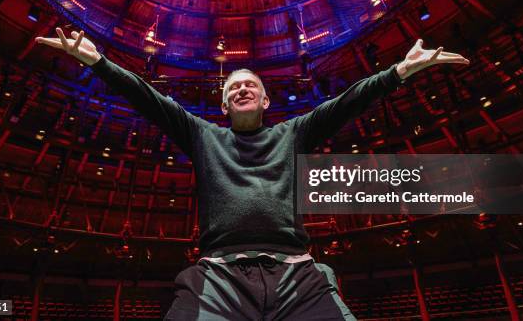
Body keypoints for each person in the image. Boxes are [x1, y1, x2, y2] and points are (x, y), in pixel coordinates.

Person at [36, 28, 469, 320]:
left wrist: (400, 71)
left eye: (251, 87)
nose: (242, 88)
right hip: (218, 275)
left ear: (265, 102)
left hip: (298, 273)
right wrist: (98, 63)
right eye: (232, 89)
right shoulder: (203, 136)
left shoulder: (293, 133)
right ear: (223, 107)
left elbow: (348, 102)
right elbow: (149, 99)